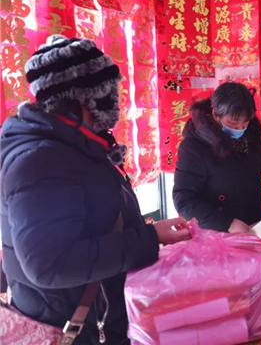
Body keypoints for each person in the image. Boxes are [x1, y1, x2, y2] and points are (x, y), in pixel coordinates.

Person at [0, 35, 190, 345]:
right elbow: (50, 265)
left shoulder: (79, 145)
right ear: (80, 100)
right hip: (73, 330)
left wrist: (150, 234)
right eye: (107, 94)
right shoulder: (40, 160)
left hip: (102, 320)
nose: (115, 103)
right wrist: (148, 238)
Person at [173, 82, 261, 233]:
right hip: (219, 233)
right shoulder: (194, 147)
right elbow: (184, 199)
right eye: (233, 123)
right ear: (215, 114)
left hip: (255, 226)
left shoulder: (250, 133)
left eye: (245, 123)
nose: (240, 129)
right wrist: (228, 224)